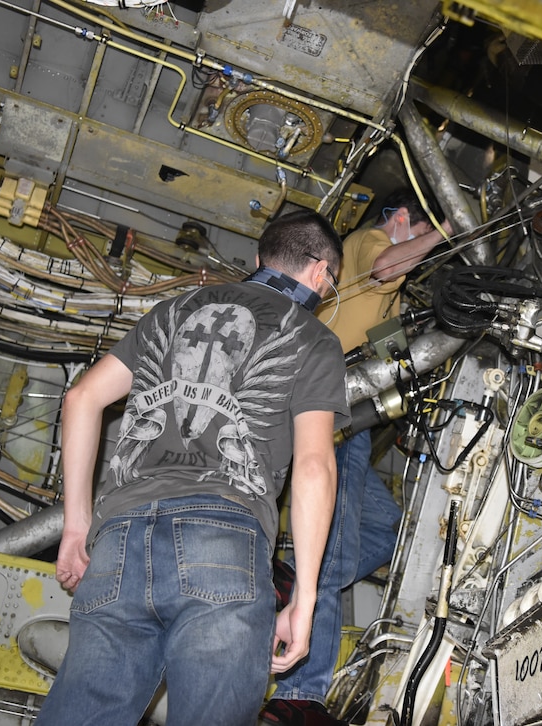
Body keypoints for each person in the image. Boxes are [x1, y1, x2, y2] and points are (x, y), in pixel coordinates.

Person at [37, 209, 349, 726]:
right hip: (225, 536)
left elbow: (80, 399)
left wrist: (76, 526)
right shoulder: (313, 338)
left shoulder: (170, 311)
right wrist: (306, 601)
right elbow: (315, 466)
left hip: (118, 540)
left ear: (258, 260)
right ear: (320, 275)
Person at [261, 189, 452, 725]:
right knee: (330, 555)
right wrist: (450, 227)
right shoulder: (370, 242)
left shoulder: (390, 294)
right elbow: (390, 262)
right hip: (327, 414)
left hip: (354, 425)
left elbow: (393, 360)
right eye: (418, 229)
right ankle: (299, 695)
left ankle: (293, 576)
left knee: (391, 529)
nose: (422, 246)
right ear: (397, 219)